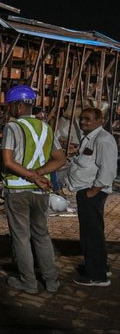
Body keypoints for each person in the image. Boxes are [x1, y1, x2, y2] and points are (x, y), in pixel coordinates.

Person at [1, 85, 66, 294]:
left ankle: (28, 283)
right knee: (42, 236)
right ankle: (52, 281)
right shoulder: (46, 128)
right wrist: (38, 175)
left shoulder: (12, 127)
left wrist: (31, 176)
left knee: (21, 237)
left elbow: (8, 162)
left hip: (18, 192)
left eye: (10, 106)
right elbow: (60, 160)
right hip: (40, 192)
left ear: (19, 106)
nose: (9, 110)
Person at [66, 107, 118, 287]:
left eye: (88, 119)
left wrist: (92, 192)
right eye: (82, 119)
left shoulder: (104, 140)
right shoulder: (90, 138)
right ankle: (100, 267)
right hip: (88, 192)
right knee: (94, 233)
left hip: (92, 193)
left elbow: (108, 170)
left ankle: (97, 276)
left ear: (100, 120)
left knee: (91, 235)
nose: (83, 122)